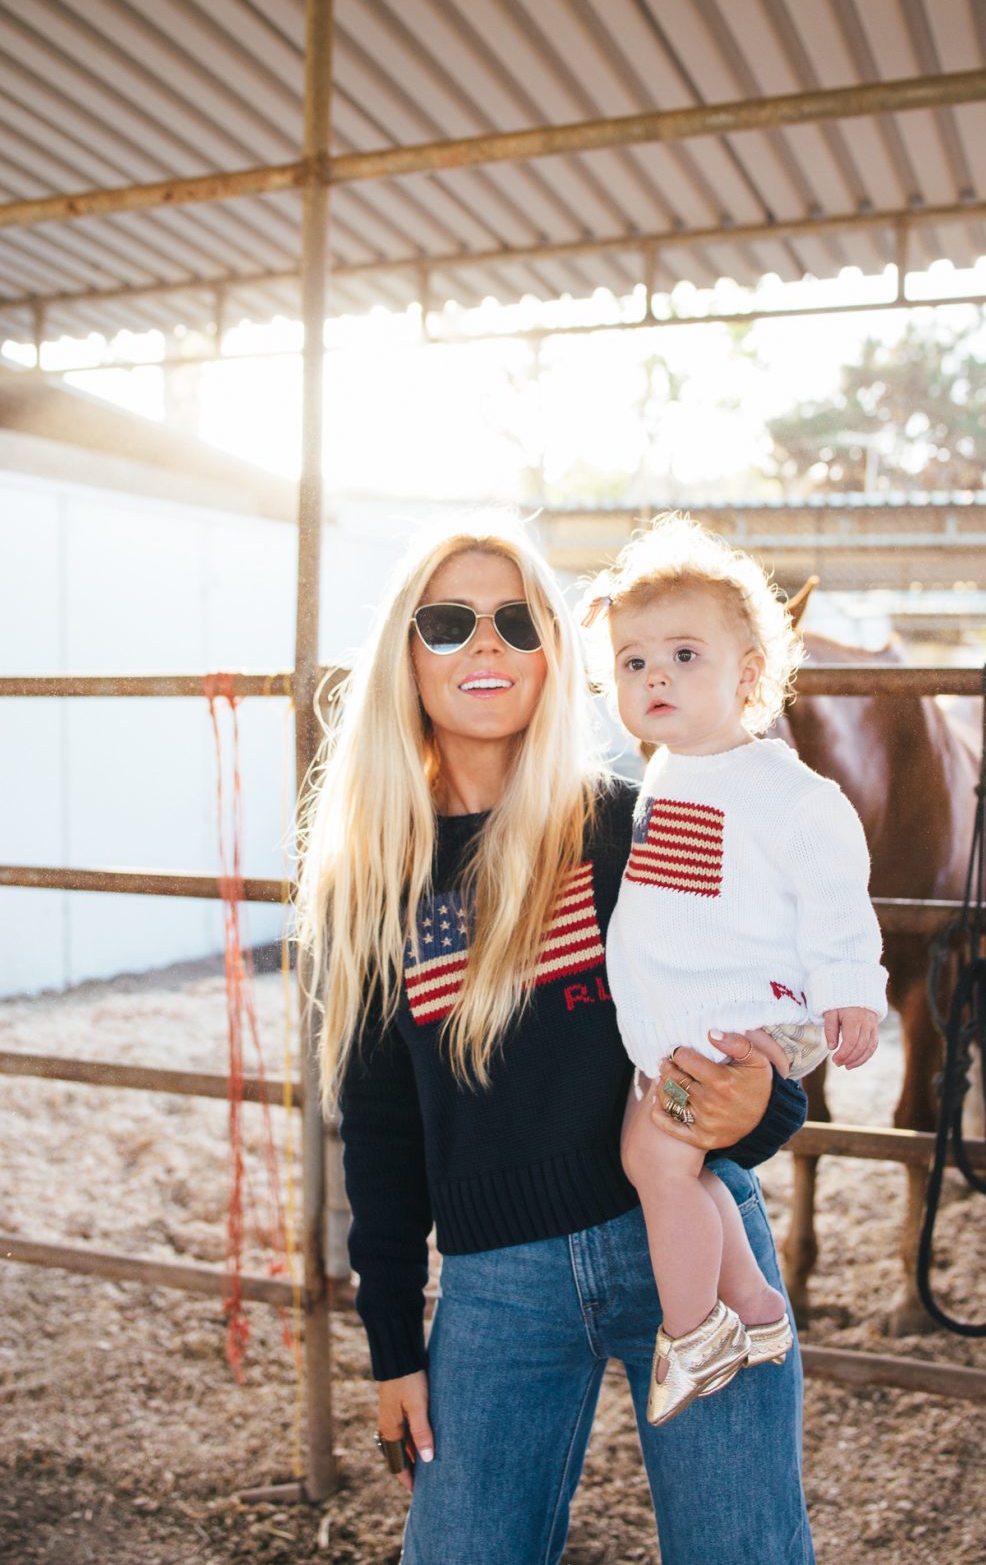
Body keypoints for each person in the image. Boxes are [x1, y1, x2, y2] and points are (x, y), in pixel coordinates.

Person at [295, 512, 815, 1564]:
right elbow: (382, 1131)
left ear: (552, 655)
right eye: (450, 622)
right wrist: (396, 1344)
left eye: (516, 621)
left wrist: (765, 1108)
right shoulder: (377, 885)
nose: (486, 645)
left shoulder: (635, 830)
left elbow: (752, 1019)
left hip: (692, 1251)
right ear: (406, 656)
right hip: (498, 1291)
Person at [581, 514, 887, 1426]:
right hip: (691, 1024)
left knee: (655, 1161)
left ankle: (693, 1336)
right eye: (633, 662)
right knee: (687, 1165)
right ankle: (755, 1308)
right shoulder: (672, 771)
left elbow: (837, 887)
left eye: (683, 654)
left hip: (741, 1025)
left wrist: (852, 991)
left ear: (749, 673)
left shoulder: (781, 786)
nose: (655, 677)